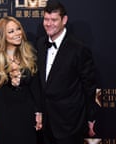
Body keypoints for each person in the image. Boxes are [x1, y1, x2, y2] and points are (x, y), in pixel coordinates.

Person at [36, 1, 97, 144]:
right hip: (45, 123)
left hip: (70, 123)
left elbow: (89, 87)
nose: (49, 24)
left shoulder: (79, 48)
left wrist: (91, 117)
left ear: (64, 20)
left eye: (54, 20)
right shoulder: (39, 44)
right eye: (46, 19)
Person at [0, 16, 42, 144]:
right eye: (11, 31)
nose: (17, 33)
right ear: (2, 36)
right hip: (2, 115)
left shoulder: (30, 54)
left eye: (18, 29)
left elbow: (35, 87)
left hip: (26, 114)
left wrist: (39, 110)